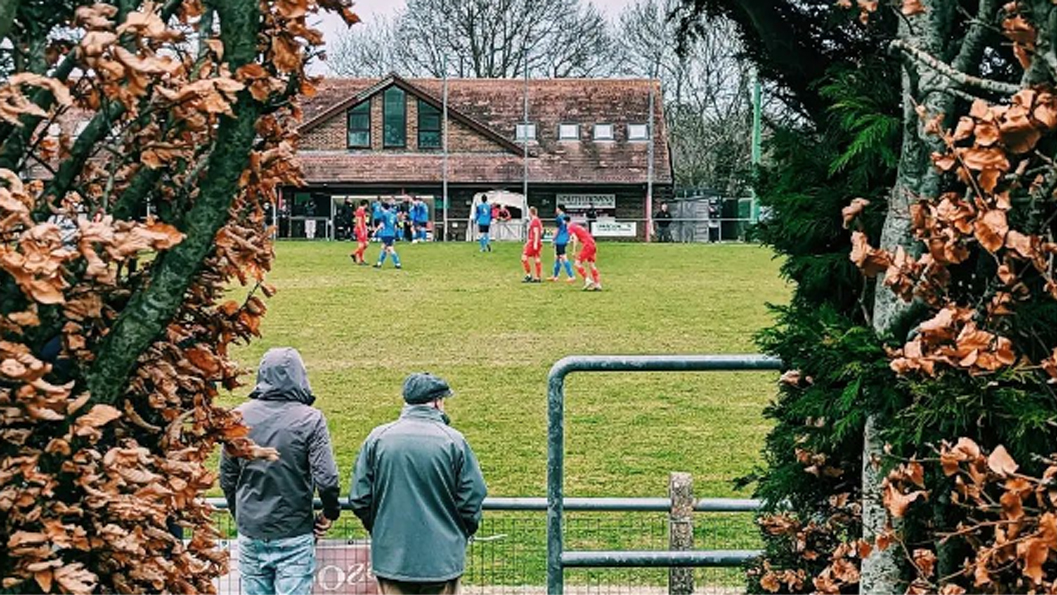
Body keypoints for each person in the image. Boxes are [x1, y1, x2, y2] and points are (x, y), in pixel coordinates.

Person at [349, 373, 487, 595]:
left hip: (392, 558)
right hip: (443, 559)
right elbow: (471, 498)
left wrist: (382, 529)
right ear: (437, 402)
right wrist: (458, 533)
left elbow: (359, 497)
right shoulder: (454, 441)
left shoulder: (378, 438)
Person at [220, 348, 341, 595]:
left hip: (252, 532)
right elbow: (327, 479)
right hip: (294, 532)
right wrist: (329, 514)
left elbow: (227, 478)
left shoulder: (238, 417)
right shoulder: (311, 419)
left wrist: (243, 515)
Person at [567, 216, 602, 291]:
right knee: (591, 264)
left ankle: (587, 280)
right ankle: (598, 284)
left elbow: (575, 238)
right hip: (593, 243)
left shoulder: (570, 227)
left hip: (588, 245)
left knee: (577, 263)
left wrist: (574, 250)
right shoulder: (577, 226)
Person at [549, 204, 575, 282]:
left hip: (560, 240)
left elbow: (557, 230)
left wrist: (553, 239)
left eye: (557, 208)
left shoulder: (558, 218)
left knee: (563, 257)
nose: (556, 210)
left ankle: (571, 275)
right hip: (564, 239)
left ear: (559, 209)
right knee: (557, 257)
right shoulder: (566, 217)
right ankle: (555, 276)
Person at [374, 202, 403, 269]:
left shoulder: (384, 215)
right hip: (391, 234)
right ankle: (379, 263)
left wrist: (375, 232)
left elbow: (381, 225)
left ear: (383, 207)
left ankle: (397, 263)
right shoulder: (393, 215)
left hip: (386, 234)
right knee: (384, 248)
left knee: (389, 249)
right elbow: (396, 226)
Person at [521, 206, 544, 283]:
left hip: (533, 242)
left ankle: (529, 275)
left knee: (524, 257)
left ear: (531, 213)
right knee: (537, 258)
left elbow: (537, 232)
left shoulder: (534, 221)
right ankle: (538, 277)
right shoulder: (538, 220)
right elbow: (541, 231)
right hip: (537, 242)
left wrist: (534, 243)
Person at [351, 200, 370, 265]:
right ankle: (359, 258)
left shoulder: (362, 211)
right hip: (361, 229)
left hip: (363, 228)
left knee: (366, 244)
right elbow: (358, 221)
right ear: (366, 204)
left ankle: (356, 254)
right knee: (362, 244)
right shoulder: (360, 211)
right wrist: (361, 230)